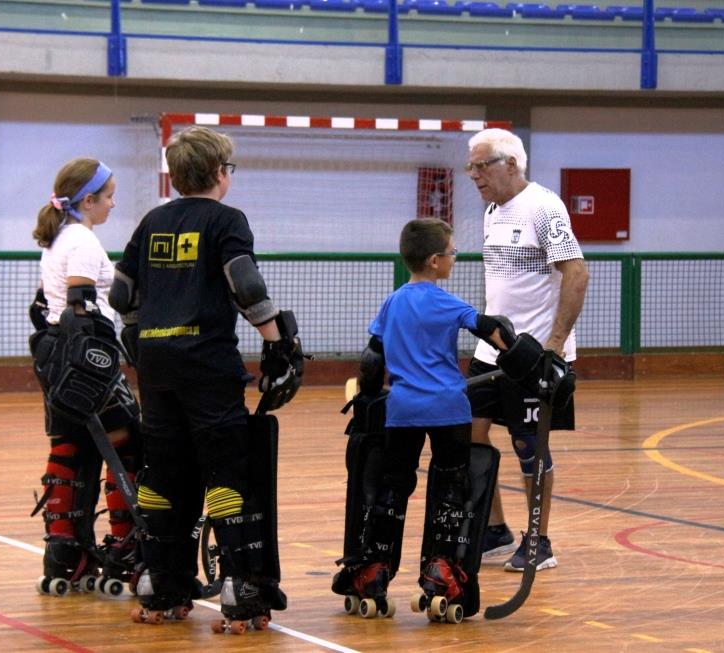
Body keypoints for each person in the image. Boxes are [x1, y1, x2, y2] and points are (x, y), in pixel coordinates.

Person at [109, 126, 303, 629]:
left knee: (164, 473)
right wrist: (276, 341)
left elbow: (122, 294)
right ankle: (241, 593)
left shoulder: (152, 220)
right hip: (207, 364)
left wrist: (139, 336)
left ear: (175, 175)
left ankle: (159, 587)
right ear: (220, 173)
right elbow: (245, 283)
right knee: (226, 472)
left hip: (155, 365)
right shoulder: (226, 220)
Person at [338, 218, 511, 620]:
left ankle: (375, 570)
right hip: (449, 408)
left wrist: (366, 395)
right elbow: (492, 331)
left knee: (393, 489)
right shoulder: (448, 302)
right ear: (435, 261)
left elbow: (371, 359)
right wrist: (520, 357)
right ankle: (440, 570)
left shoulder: (393, 301)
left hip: (402, 411)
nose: (454, 258)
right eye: (451, 253)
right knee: (451, 487)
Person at [464, 128, 589, 573]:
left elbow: (576, 273)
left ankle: (539, 540)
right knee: (469, 434)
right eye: (471, 166)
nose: (473, 174)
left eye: (481, 165)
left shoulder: (544, 208)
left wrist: (554, 348)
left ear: (511, 165)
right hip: (491, 352)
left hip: (533, 355)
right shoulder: (493, 211)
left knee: (527, 447)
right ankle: (495, 530)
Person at [29, 157, 142, 596]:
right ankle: (123, 550)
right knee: (128, 446)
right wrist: (104, 363)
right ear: (88, 200)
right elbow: (81, 302)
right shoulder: (83, 241)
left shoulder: (58, 237)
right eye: (109, 196)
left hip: (56, 355)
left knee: (70, 448)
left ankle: (66, 554)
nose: (114, 204)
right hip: (84, 358)